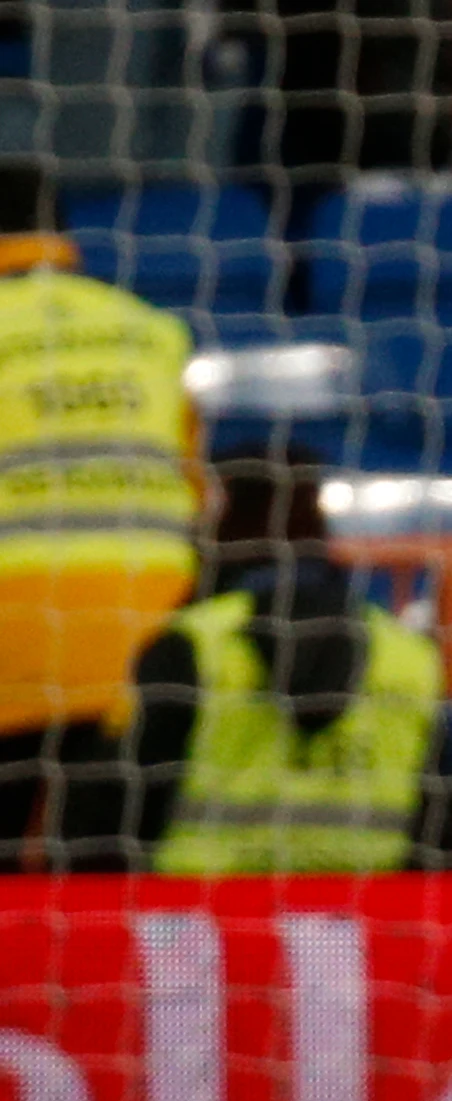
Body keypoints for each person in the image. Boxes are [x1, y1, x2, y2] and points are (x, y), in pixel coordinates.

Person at [60, 445, 452, 873]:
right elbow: (443, 825)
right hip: (360, 923)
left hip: (192, 924)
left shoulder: (196, 644)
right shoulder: (409, 654)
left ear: (228, 520)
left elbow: (108, 809)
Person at [0, 160, 199, 863]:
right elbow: (196, 489)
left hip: (13, 642)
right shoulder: (150, 330)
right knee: (101, 873)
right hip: (144, 641)